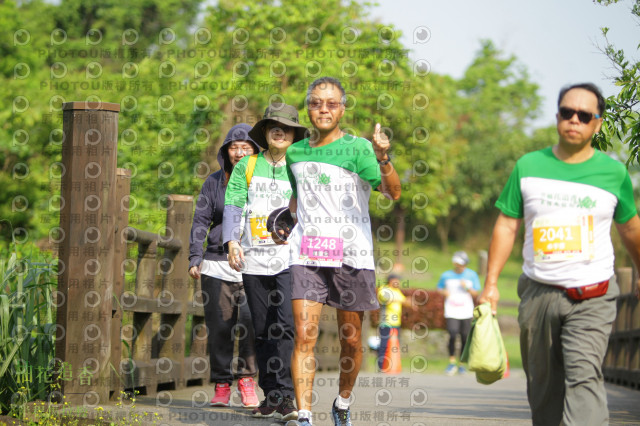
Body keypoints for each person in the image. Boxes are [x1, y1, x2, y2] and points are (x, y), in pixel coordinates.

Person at [479, 83, 640, 425]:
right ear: (557, 117)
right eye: (567, 113)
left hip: (592, 295)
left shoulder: (613, 173)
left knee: (584, 378)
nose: (574, 120)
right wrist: (491, 284)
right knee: (544, 388)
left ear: (597, 124)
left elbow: (630, 229)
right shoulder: (529, 165)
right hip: (538, 293)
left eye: (584, 115)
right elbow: (507, 226)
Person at [281, 77, 401, 426]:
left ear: (342, 109)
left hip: (352, 254)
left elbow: (392, 193)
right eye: (317, 102)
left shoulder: (359, 149)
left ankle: (342, 403)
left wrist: (384, 158)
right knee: (305, 335)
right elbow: (297, 199)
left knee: (351, 342)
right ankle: (304, 415)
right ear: (308, 107)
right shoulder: (295, 152)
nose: (323, 109)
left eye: (331, 103)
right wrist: (281, 223)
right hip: (307, 254)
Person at [222, 103, 307, 423]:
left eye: (286, 127)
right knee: (261, 328)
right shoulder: (248, 164)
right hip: (253, 258)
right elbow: (233, 204)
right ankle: (270, 395)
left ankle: (286, 394)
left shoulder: (300, 165)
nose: (279, 131)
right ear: (266, 132)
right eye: (273, 126)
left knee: (284, 323)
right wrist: (231, 241)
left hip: (290, 258)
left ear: (295, 134)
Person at [187, 123, 260, 408]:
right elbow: (200, 222)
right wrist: (195, 257)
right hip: (217, 262)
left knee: (251, 324)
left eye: (246, 147)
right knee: (219, 326)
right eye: (234, 147)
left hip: (256, 262)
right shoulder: (214, 182)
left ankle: (246, 380)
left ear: (255, 151)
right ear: (225, 151)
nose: (239, 152)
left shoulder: (265, 181)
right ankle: (220, 383)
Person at [436, 251, 480, 375]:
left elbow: (476, 293)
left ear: (465, 264)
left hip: (466, 310)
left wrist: (466, 287)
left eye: (461, 263)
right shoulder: (446, 275)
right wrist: (444, 292)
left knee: (465, 336)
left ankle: (462, 364)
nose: (458, 265)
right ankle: (451, 362)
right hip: (451, 310)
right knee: (453, 333)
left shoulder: (472, 275)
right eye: (456, 263)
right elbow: (439, 288)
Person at [376, 273, 414, 372]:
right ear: (391, 280)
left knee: (394, 345)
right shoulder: (384, 289)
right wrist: (403, 301)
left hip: (396, 323)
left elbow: (404, 301)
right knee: (384, 344)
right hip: (386, 322)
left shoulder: (397, 291)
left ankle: (392, 365)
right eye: (396, 280)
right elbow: (386, 298)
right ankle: (381, 366)